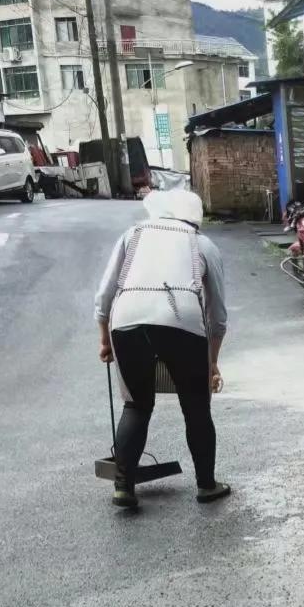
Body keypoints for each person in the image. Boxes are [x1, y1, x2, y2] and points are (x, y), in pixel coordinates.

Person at [94, 189, 230, 510]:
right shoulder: (202, 244)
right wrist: (212, 362)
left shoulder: (134, 235)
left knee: (136, 405)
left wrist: (104, 339)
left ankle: (124, 487)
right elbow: (218, 317)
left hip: (126, 321)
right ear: (195, 216)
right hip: (182, 320)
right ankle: (206, 485)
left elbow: (104, 296)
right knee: (196, 406)